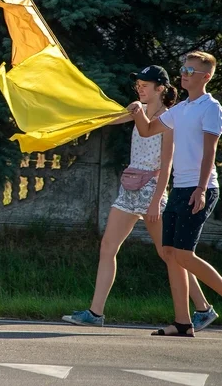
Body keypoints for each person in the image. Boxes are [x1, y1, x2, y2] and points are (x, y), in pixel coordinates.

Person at [63, 65, 215, 328]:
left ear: (161, 89)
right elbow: (109, 119)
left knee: (171, 254)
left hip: (152, 189)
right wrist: (73, 114)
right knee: (108, 247)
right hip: (129, 187)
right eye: (138, 85)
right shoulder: (138, 111)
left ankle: (202, 308)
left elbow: (167, 164)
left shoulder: (170, 118)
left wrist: (157, 200)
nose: (140, 88)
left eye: (145, 85)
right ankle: (95, 313)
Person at [128, 52, 222, 337]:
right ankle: (182, 322)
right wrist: (137, 112)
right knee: (170, 253)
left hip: (200, 188)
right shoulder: (179, 110)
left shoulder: (211, 107)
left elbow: (210, 152)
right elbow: (146, 131)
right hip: (178, 188)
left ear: (205, 77)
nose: (184, 74)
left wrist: (201, 189)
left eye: (190, 70)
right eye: (183, 69)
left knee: (183, 253)